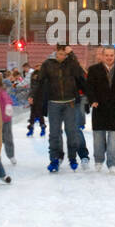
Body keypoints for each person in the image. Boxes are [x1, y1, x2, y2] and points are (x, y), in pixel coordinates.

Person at [34, 44, 88, 173]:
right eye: (60, 53)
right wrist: (35, 99)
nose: (62, 56)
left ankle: (73, 158)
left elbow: (80, 74)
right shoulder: (48, 64)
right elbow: (40, 82)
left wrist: (72, 56)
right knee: (54, 133)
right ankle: (54, 159)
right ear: (55, 52)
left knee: (72, 131)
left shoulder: (71, 63)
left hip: (70, 103)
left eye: (65, 54)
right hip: (54, 103)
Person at [87, 45, 115, 174]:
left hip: (114, 107)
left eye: (111, 55)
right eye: (107, 55)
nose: (109, 58)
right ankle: (99, 160)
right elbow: (89, 87)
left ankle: (112, 163)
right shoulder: (94, 69)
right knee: (99, 136)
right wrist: (92, 100)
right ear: (102, 56)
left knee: (114, 136)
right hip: (99, 106)